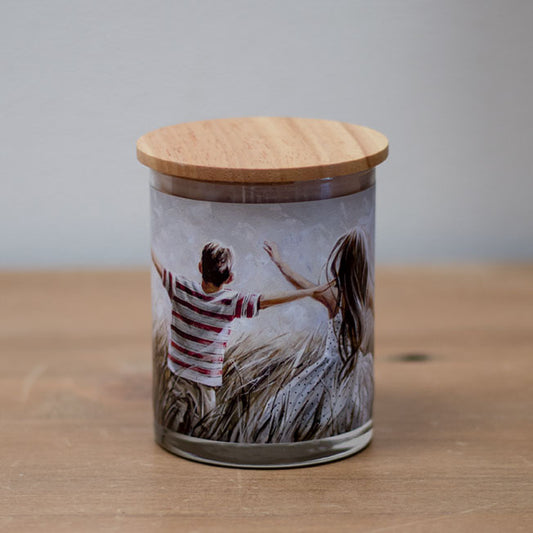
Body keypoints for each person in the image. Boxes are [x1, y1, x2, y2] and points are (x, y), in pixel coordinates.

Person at [152, 241, 327, 419]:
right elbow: (268, 300)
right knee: (203, 425)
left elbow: (158, 266)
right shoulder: (230, 302)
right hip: (205, 384)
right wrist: (309, 291)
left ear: (200, 267)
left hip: (176, 376)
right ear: (230, 278)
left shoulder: (180, 287)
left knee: (173, 420)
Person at [260, 228, 374, 441]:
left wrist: (279, 262)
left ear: (343, 261)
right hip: (355, 367)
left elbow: (301, 284)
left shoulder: (333, 295)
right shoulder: (366, 296)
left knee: (285, 404)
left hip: (331, 368)